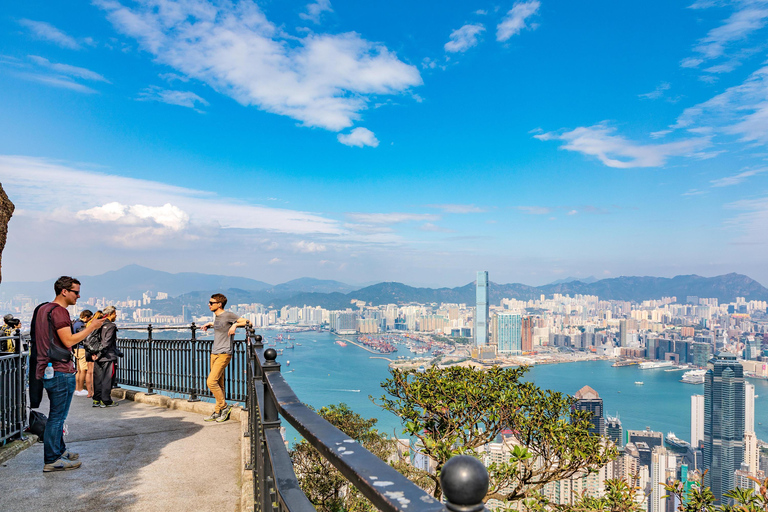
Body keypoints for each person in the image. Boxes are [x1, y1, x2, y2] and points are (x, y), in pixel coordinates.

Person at [34, 276, 105, 472]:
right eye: (75, 292)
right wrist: (91, 327)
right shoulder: (60, 312)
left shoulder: (43, 309)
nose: (79, 296)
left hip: (47, 368)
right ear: (64, 291)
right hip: (60, 369)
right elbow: (68, 341)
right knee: (57, 417)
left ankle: (59, 450)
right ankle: (52, 459)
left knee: (57, 416)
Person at [200, 293, 248, 422]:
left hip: (224, 353)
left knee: (211, 382)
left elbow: (248, 321)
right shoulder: (216, 317)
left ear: (219, 304)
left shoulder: (228, 315)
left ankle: (225, 407)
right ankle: (218, 411)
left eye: (211, 303)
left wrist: (235, 325)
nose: (209, 305)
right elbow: (220, 324)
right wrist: (210, 323)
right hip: (214, 353)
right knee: (219, 383)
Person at [91, 306, 119, 408]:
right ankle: (105, 400)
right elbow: (106, 343)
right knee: (108, 379)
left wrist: (95, 354)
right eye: (115, 313)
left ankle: (96, 399)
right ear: (111, 314)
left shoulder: (99, 324)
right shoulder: (111, 326)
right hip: (107, 356)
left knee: (98, 379)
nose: (116, 315)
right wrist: (99, 354)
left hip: (96, 356)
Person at [72, 310, 93, 397]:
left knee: (79, 370)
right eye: (89, 319)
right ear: (86, 317)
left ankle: (77, 388)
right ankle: (80, 389)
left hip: (75, 349)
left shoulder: (74, 323)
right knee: (83, 369)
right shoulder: (81, 325)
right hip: (81, 349)